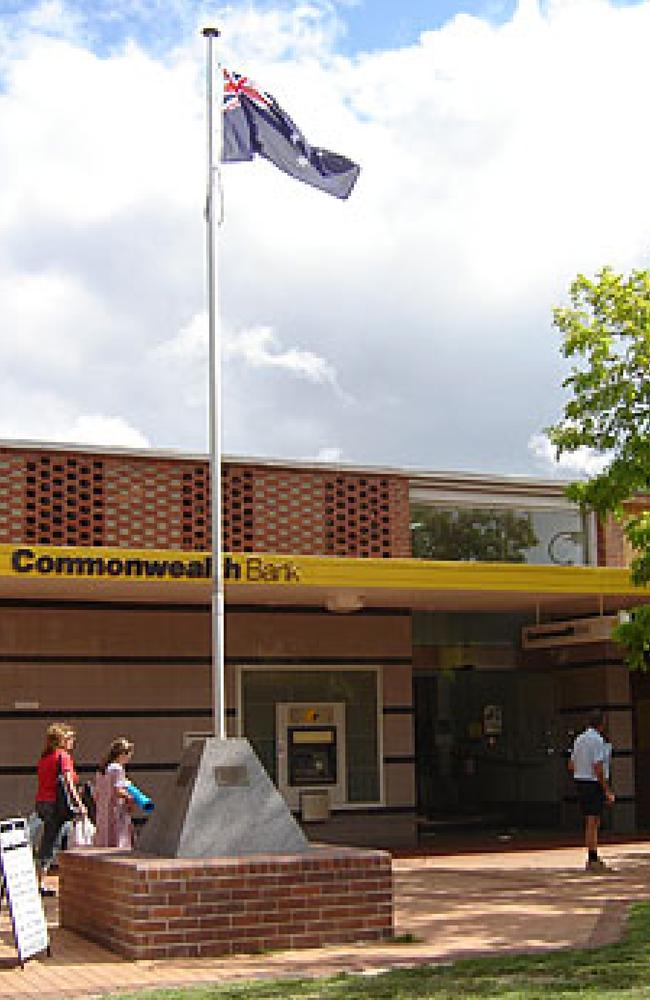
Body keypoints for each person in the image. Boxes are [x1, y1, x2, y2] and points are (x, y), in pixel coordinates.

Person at [35, 723, 86, 895]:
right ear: (62, 740)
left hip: (42, 802)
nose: (73, 741)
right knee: (52, 843)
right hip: (56, 805)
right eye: (70, 738)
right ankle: (40, 882)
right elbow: (68, 783)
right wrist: (80, 804)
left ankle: (46, 878)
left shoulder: (45, 757)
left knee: (56, 840)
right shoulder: (62, 756)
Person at [568, 710, 615, 872]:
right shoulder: (597, 740)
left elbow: (571, 764)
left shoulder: (579, 739)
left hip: (581, 781)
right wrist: (607, 789)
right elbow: (598, 767)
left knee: (591, 819)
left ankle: (593, 854)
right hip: (592, 782)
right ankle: (592, 856)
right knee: (593, 820)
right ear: (601, 724)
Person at [93, 738, 135, 849]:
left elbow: (97, 791)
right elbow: (117, 789)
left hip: (103, 807)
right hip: (115, 807)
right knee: (117, 834)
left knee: (104, 833)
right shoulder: (117, 768)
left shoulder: (103, 768)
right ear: (122, 754)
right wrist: (130, 798)